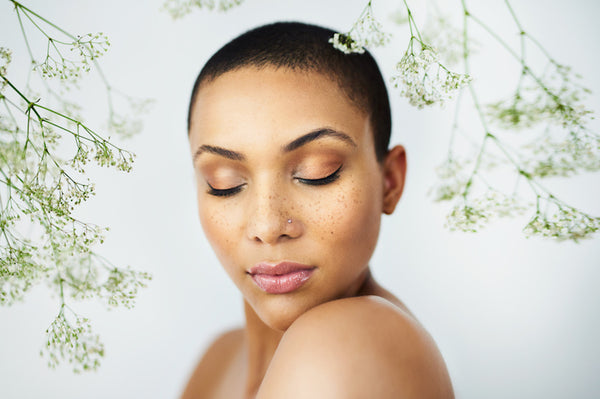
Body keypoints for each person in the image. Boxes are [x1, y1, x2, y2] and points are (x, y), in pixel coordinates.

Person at [181, 21, 454, 399]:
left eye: (317, 173)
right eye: (224, 183)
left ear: (389, 181)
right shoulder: (221, 357)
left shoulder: (347, 340)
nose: (268, 225)